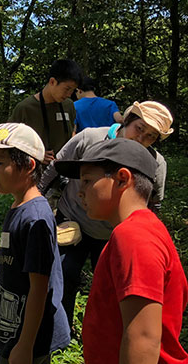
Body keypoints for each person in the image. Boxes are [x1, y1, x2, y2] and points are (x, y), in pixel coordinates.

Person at [54, 138, 188, 364]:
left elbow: (143, 337)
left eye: (87, 180)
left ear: (122, 179)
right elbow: (113, 321)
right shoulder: (128, 232)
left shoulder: (134, 237)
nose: (80, 191)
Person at [39, 100, 174, 331]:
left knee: (109, 287)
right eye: (139, 129)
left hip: (114, 233)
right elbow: (55, 168)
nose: (140, 139)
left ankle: (98, 334)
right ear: (127, 121)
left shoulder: (156, 163)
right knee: (63, 275)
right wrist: (39, 203)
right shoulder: (90, 138)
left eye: (150, 136)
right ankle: (59, 331)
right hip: (72, 219)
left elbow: (154, 203)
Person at [0, 123, 70, 364]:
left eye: (1, 164)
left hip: (29, 338)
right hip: (19, 332)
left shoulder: (35, 218)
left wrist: (25, 346)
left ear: (29, 166)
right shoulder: (19, 206)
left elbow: (40, 287)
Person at [8, 59, 81, 165]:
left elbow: (72, 130)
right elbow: (8, 141)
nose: (69, 94)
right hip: (34, 174)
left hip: (65, 172)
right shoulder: (25, 108)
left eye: (72, 90)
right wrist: (35, 154)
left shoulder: (68, 105)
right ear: (52, 82)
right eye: (67, 89)